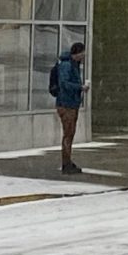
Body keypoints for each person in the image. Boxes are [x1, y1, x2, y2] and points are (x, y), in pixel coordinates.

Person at [53, 42, 87, 173]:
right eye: (82, 53)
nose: (84, 56)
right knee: (68, 134)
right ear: (77, 53)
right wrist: (80, 87)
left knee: (70, 133)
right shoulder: (67, 65)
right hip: (66, 104)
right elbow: (64, 83)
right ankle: (66, 164)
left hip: (71, 103)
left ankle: (67, 162)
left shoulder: (73, 65)